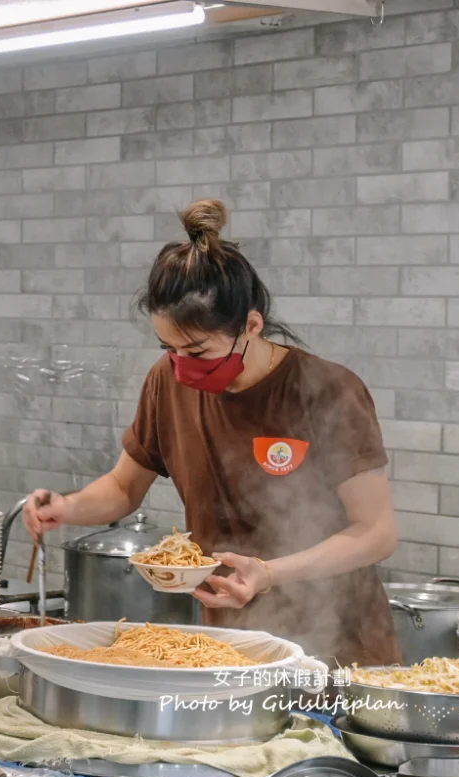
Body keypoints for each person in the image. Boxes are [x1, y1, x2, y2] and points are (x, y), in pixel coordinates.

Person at [22, 200, 399, 666]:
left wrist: (268, 573)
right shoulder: (165, 380)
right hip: (226, 645)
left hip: (336, 645)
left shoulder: (326, 390)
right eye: (169, 348)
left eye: (198, 351)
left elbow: (376, 532)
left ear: (251, 326)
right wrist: (67, 507)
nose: (181, 368)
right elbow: (123, 487)